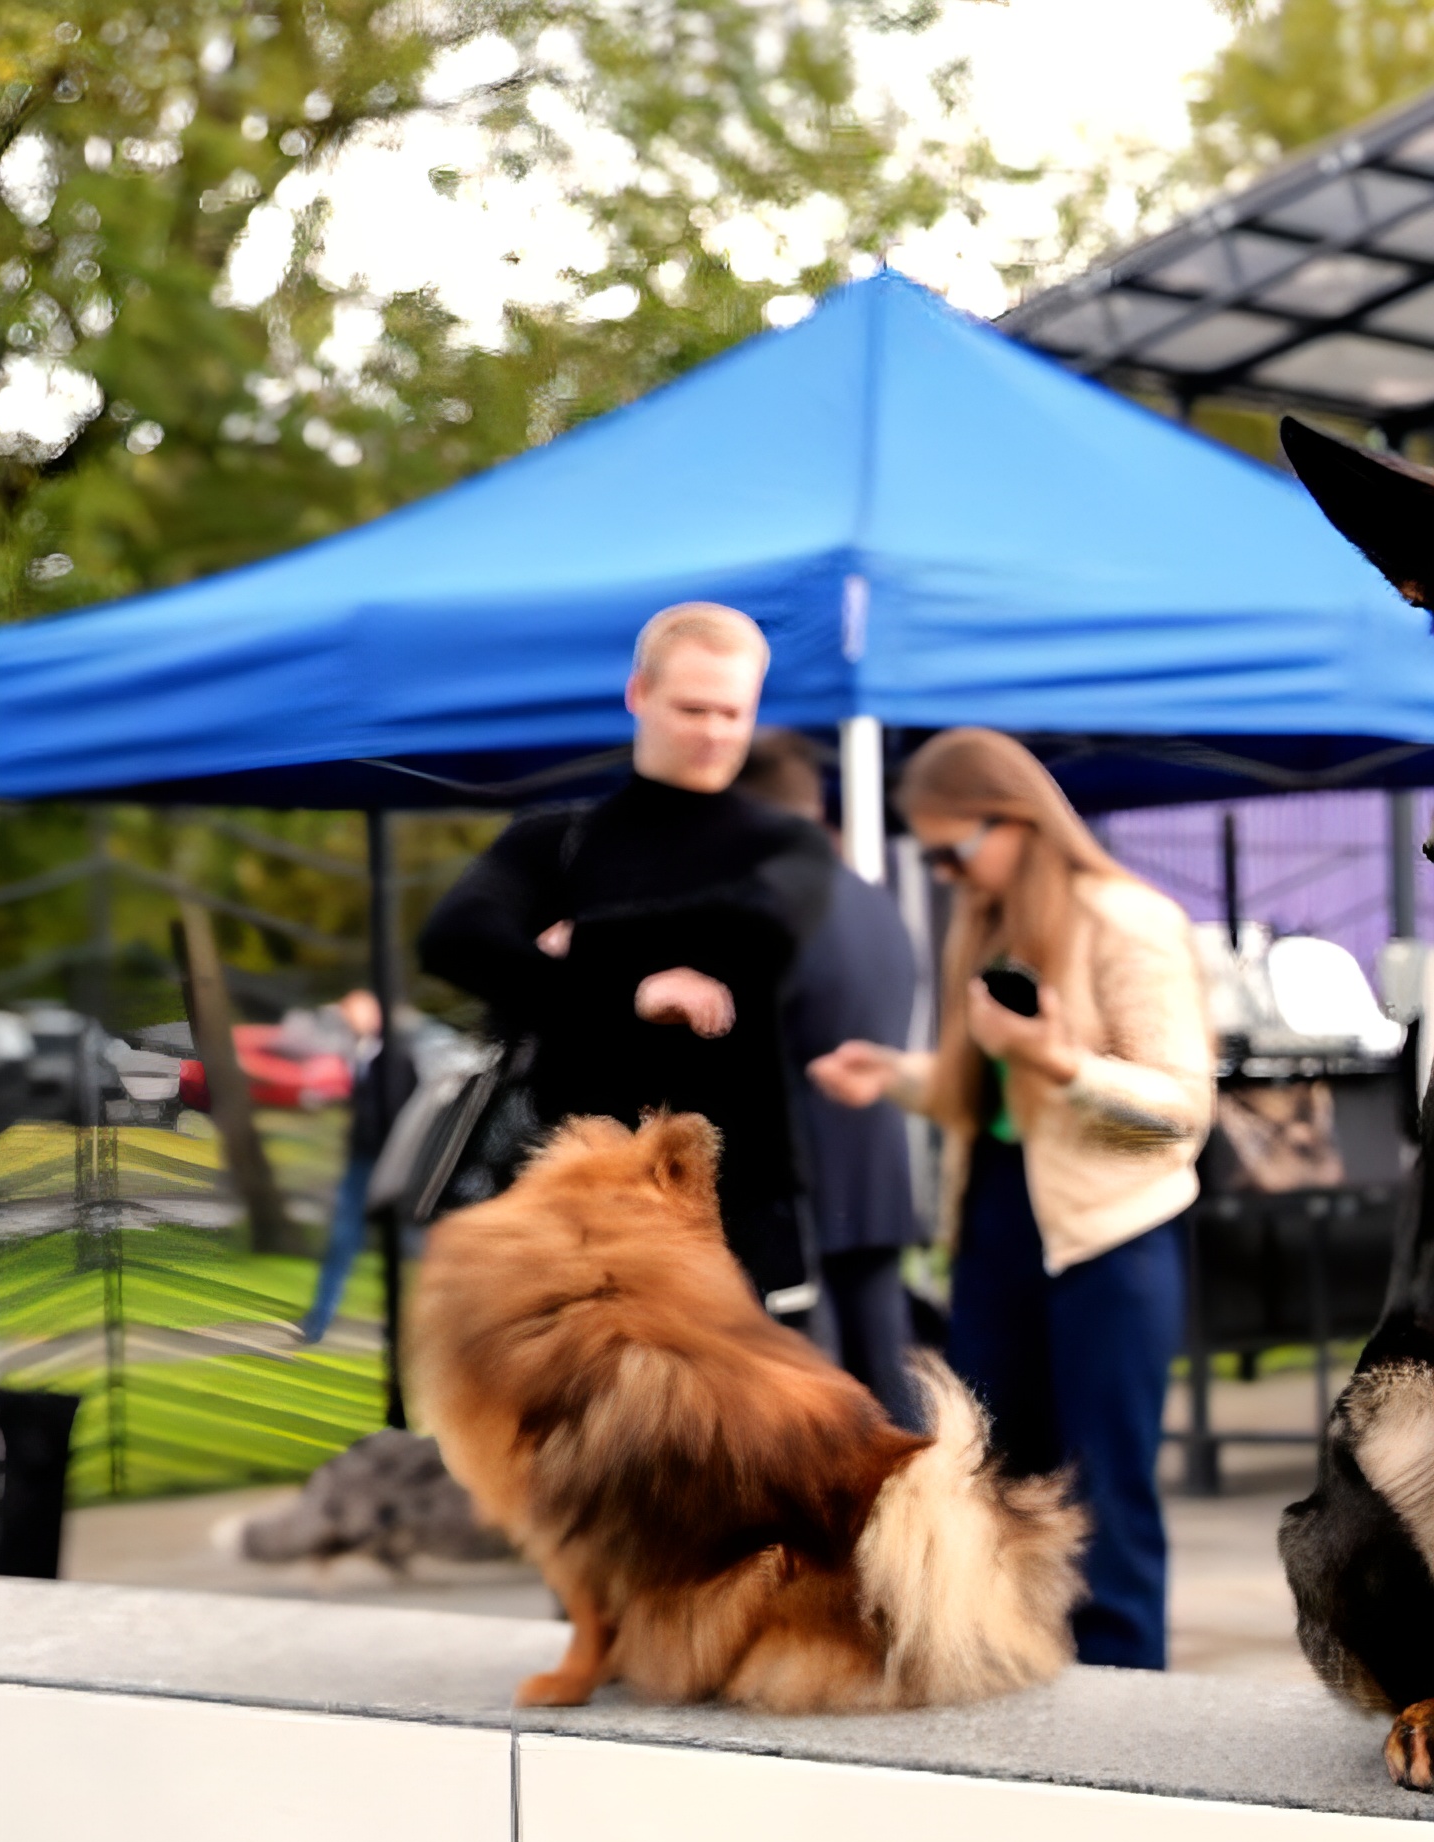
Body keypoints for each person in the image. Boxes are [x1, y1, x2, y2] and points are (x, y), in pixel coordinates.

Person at [809, 727, 1213, 1671]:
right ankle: (1020, 1674)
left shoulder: (1127, 921)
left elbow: (1177, 1118)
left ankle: (1124, 1702)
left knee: (1104, 1490)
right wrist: (899, 1075)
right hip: (995, 1227)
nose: (946, 872)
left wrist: (1061, 1060)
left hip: (1110, 1237)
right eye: (930, 854)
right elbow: (981, 1102)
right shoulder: (985, 924)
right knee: (994, 1482)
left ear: (1018, 821)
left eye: (954, 849)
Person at [416, 603, 834, 1313]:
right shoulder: (560, 839)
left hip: (734, 1214)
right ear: (639, 694)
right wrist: (632, 991)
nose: (712, 733)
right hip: (578, 1194)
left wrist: (581, 949)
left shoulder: (786, 849)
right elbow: (455, 938)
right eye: (691, 709)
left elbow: (766, 959)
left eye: (732, 713)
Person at [739, 728, 922, 1429]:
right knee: (887, 1391)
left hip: (792, 1185)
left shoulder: (766, 898)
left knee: (810, 1417)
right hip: (873, 1167)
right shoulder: (869, 895)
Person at [301, 990, 414, 1345]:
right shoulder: (363, 1055)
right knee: (342, 1241)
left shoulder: (395, 1061)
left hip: (383, 1165)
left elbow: (399, 1115)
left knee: (385, 1245)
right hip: (361, 1163)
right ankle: (319, 1318)